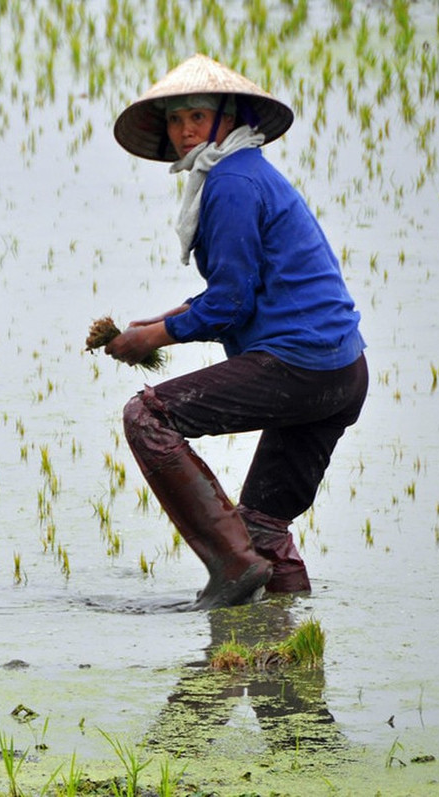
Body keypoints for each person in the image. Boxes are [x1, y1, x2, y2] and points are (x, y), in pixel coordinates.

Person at [93, 54, 367, 610]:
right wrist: (158, 322)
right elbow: (238, 289)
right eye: (175, 120)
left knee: (146, 415)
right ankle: (288, 650)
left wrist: (155, 338)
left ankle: (229, 562)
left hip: (300, 363)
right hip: (342, 372)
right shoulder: (245, 173)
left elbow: (230, 304)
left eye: (197, 116)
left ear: (227, 118)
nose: (186, 130)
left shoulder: (232, 182)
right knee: (265, 526)